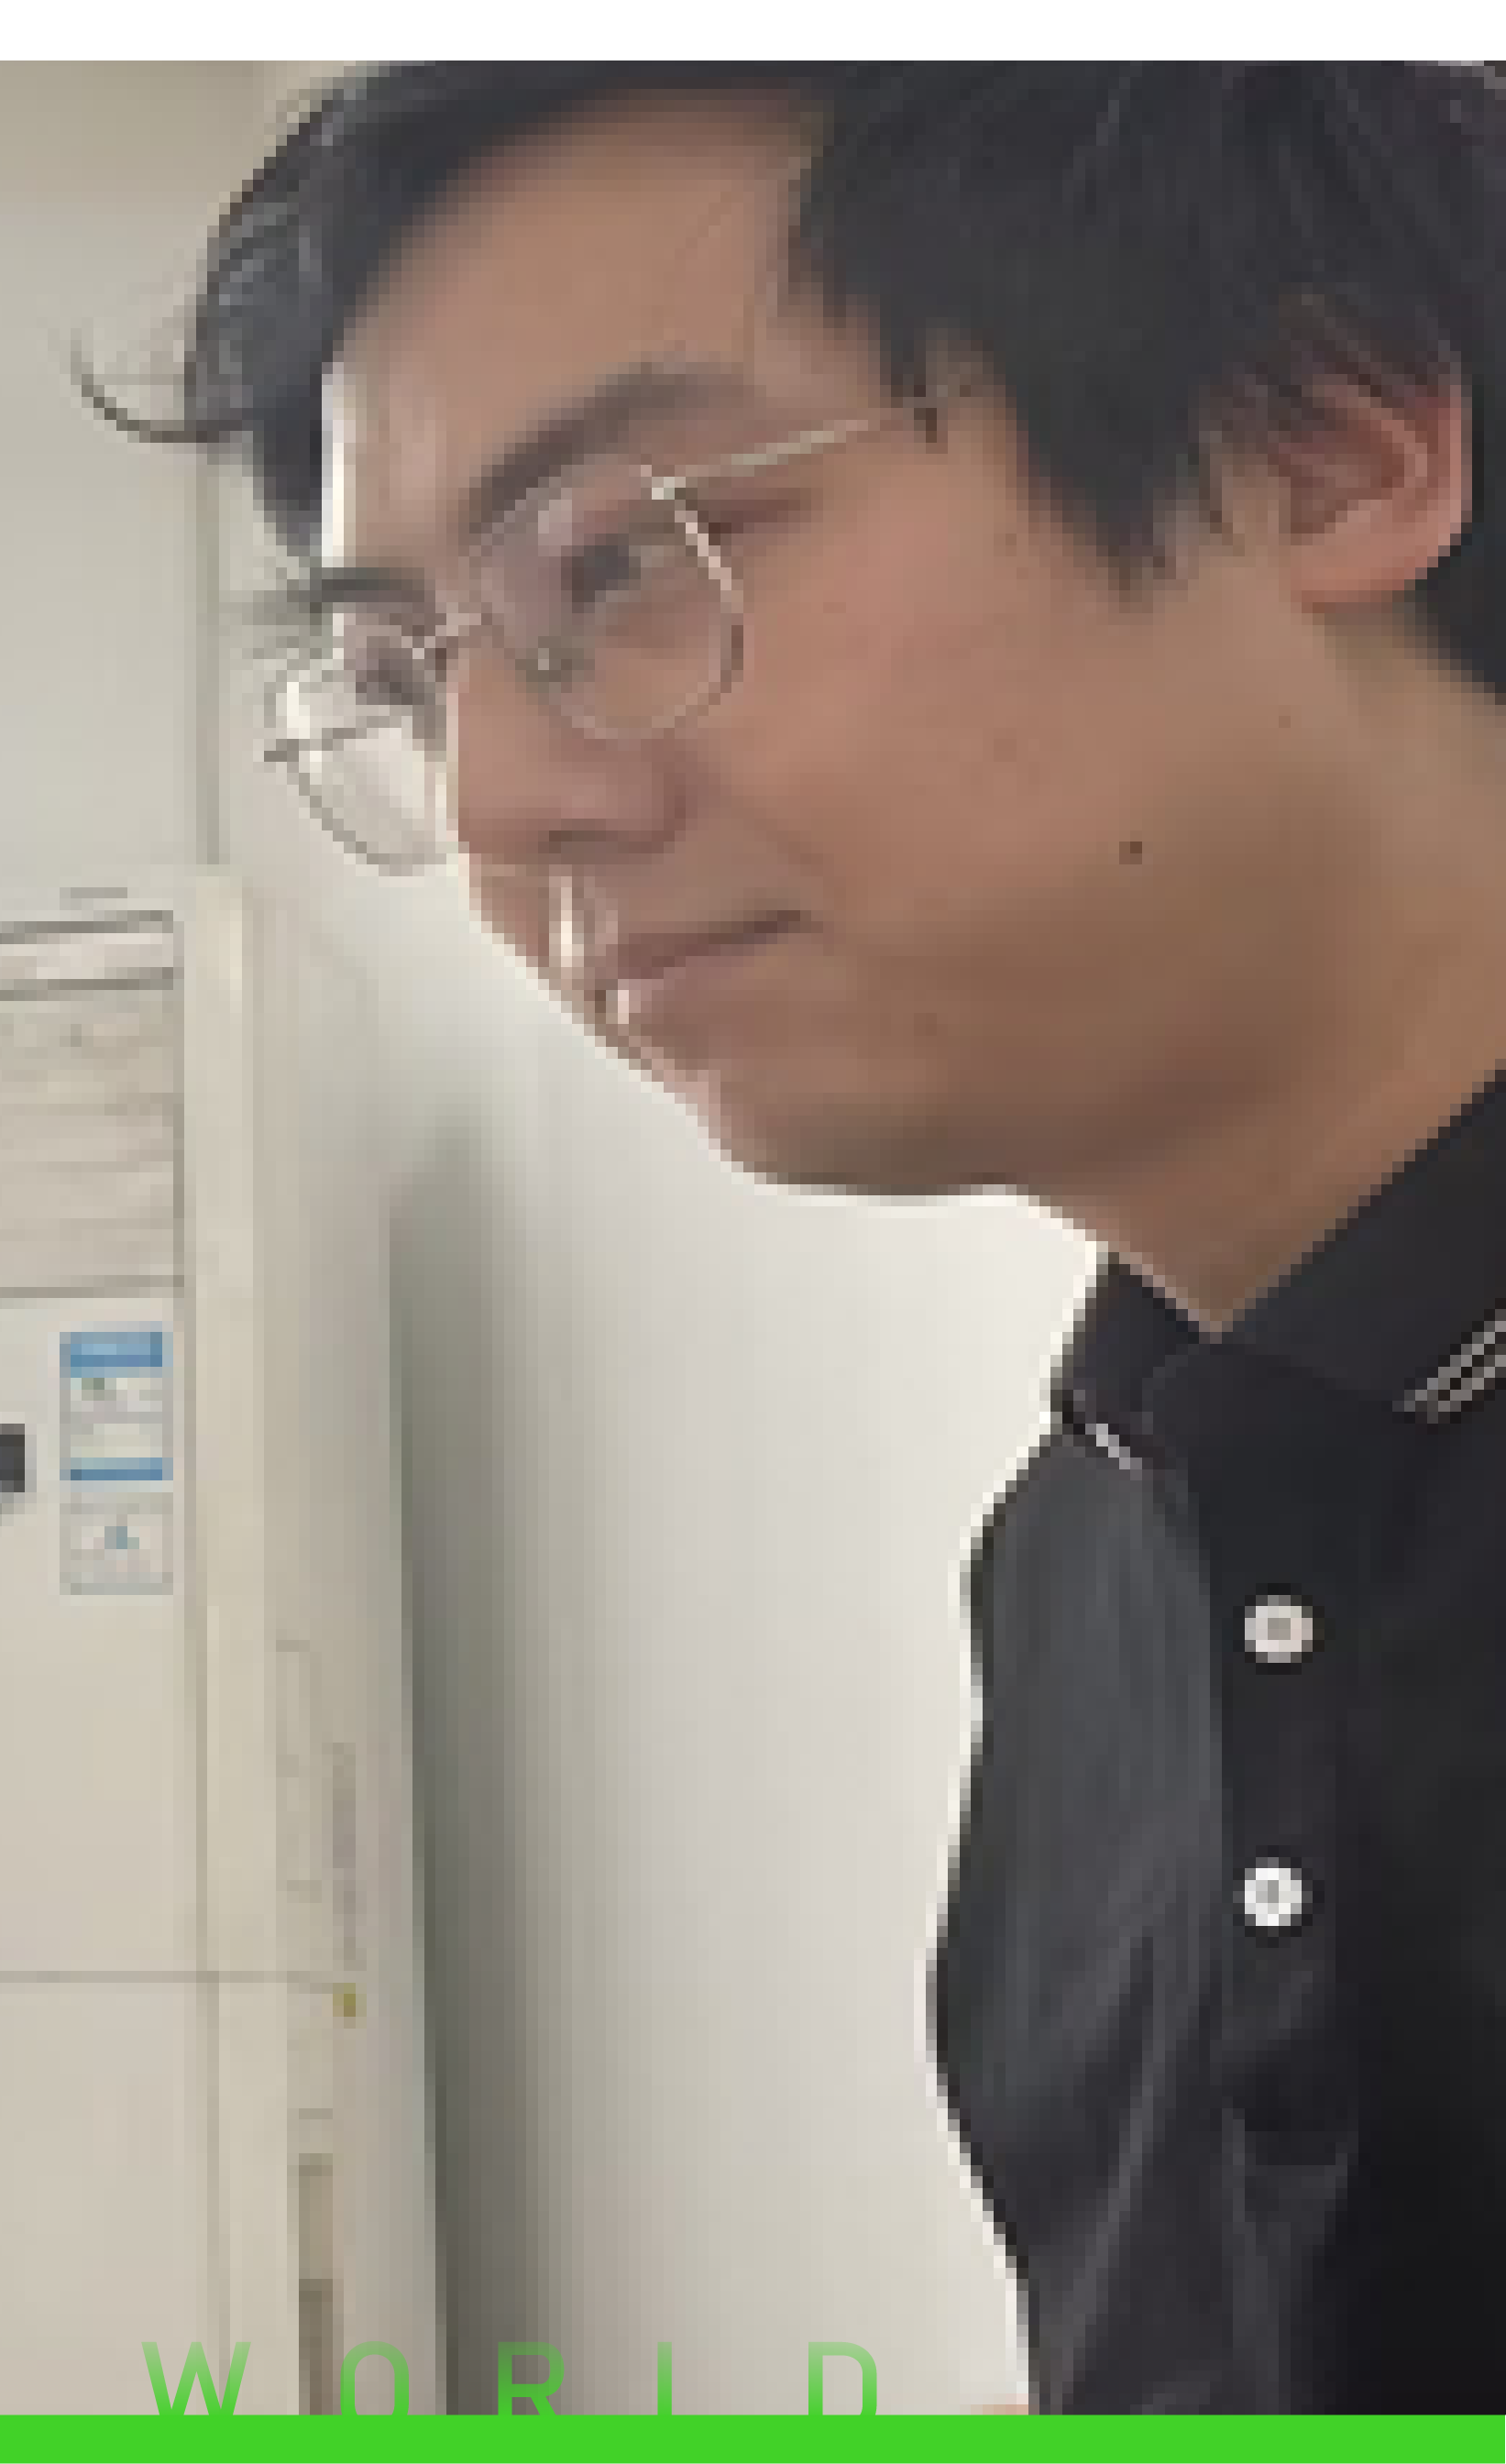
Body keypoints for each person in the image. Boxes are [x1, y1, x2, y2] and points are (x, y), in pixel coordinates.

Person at [104, 66, 1506, 2413]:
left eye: (617, 561)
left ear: (1326, 450)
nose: (501, 806)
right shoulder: (1084, 1562)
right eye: (409, 679)